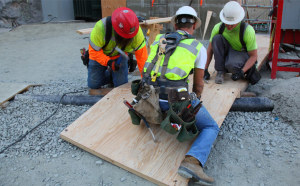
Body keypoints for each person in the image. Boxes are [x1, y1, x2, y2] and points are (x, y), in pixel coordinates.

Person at [141, 6, 219, 185]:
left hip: (148, 97)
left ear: (175, 24)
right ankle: (192, 162)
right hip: (173, 103)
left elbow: (148, 70)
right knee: (210, 127)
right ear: (194, 26)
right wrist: (194, 103)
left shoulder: (158, 40)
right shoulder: (197, 47)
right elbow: (198, 84)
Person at [88, 7, 148, 95]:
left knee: (121, 86)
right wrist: (109, 62)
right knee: (93, 84)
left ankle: (114, 76)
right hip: (99, 56)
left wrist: (145, 82)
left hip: (119, 56)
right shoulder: (101, 28)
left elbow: (143, 59)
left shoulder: (136, 32)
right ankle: (110, 73)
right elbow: (93, 52)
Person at [204, 1, 259, 84]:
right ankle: (220, 71)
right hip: (229, 53)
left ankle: (231, 66)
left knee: (231, 65)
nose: (229, 26)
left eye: (232, 24)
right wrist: (204, 69)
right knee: (216, 39)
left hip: (241, 54)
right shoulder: (218, 28)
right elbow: (209, 50)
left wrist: (242, 71)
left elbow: (253, 56)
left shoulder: (248, 31)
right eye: (227, 23)